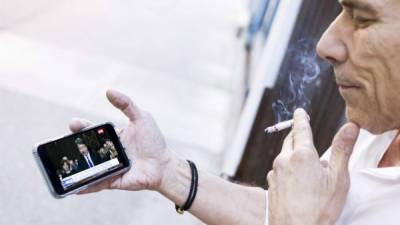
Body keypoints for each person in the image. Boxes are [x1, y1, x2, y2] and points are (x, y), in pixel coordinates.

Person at [67, 0, 400, 224]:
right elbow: (278, 215)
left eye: (364, 18)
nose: (326, 44)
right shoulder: (377, 127)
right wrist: (169, 171)